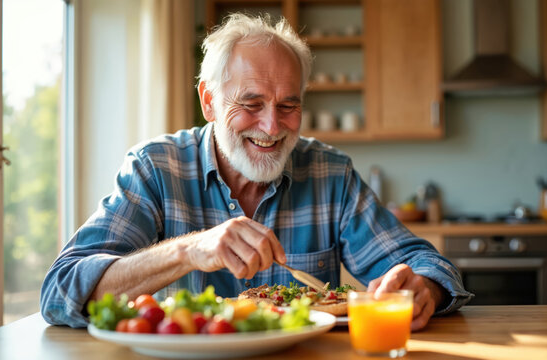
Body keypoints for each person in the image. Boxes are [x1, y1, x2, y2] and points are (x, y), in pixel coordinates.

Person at [40, 13, 472, 330]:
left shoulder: (329, 173)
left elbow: (428, 265)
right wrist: (188, 251)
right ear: (209, 101)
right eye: (250, 104)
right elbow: (60, 291)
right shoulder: (155, 168)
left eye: (289, 106)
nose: (271, 126)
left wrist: (423, 288)